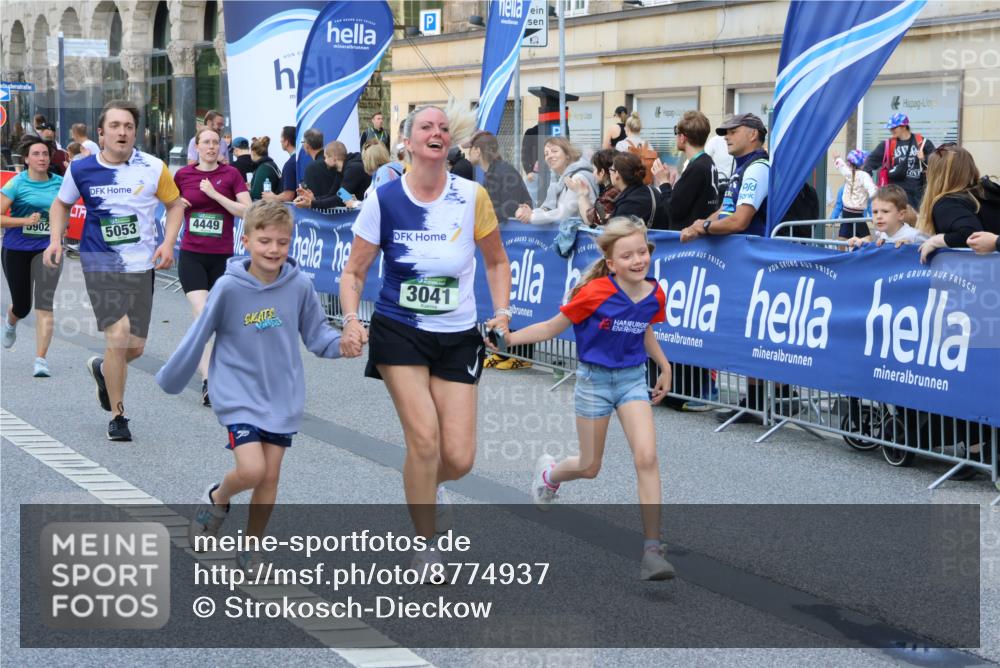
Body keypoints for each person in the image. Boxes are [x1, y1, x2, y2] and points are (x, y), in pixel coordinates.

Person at [338, 104, 512, 577]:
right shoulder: (385, 199)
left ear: (447, 143)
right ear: (409, 143)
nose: (435, 133)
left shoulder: (472, 195)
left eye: (441, 127)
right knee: (424, 439)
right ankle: (425, 542)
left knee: (458, 457)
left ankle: (428, 487)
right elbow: (354, 272)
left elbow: (496, 261)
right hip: (400, 330)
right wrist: (353, 320)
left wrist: (501, 311)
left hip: (458, 335)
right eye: (425, 127)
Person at [156, 201, 348, 571]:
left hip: (282, 394)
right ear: (245, 241)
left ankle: (252, 546)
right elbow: (199, 335)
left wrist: (342, 344)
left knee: (270, 475)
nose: (273, 249)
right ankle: (218, 497)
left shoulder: (299, 285)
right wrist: (172, 376)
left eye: (282, 242)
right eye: (264, 241)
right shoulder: (229, 287)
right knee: (251, 470)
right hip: (238, 392)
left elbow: (317, 333)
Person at [497, 216, 675, 581]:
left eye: (643, 251)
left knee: (647, 456)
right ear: (611, 263)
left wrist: (664, 365)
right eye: (628, 256)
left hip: (631, 381)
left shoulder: (654, 293)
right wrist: (509, 339)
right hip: (594, 381)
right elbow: (552, 327)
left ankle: (652, 550)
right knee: (590, 467)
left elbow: (645, 331)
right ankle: (548, 476)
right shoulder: (593, 293)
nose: (639, 260)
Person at [44, 99, 185, 442]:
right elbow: (61, 204)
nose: (122, 132)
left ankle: (103, 370)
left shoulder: (154, 167)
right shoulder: (81, 169)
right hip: (100, 261)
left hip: (141, 266)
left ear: (135, 133)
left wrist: (167, 243)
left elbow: (175, 204)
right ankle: (119, 416)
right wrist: (54, 240)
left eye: (129, 127)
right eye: (115, 126)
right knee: (118, 335)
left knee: (134, 348)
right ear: (101, 133)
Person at [173, 127, 251, 405]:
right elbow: (167, 206)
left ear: (221, 147)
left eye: (215, 142)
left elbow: (248, 210)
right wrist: (175, 204)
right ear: (197, 146)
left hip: (222, 258)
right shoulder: (183, 175)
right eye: (205, 142)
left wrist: (216, 196)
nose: (210, 146)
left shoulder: (231, 175)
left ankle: (212, 368)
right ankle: (209, 381)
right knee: (204, 312)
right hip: (192, 256)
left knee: (213, 322)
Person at [1, 136, 64, 377]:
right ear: (26, 159)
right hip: (17, 249)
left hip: (49, 249)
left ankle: (41, 359)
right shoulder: (17, 184)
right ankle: (11, 320)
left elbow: (71, 208)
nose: (42, 158)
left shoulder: (60, 183)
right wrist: (24, 221)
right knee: (23, 305)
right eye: (36, 154)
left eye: (45, 154)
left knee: (45, 303)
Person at [680, 113, 770, 242]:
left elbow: (739, 221)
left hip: (749, 253)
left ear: (753, 134)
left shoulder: (757, 168)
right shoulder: (743, 166)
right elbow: (724, 210)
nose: (726, 138)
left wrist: (705, 226)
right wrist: (696, 227)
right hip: (737, 251)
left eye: (733, 132)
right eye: (726, 133)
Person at [917, 144, 993, 263]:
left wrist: (937, 240)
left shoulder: (947, 203)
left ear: (937, 175)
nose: (926, 172)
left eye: (929, 168)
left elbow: (972, 235)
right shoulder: (986, 192)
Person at [652, 110, 720, 231]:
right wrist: (671, 187)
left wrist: (663, 183)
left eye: (676, 133)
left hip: (689, 244)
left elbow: (673, 211)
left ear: (683, 137)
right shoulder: (707, 162)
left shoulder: (696, 168)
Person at [514, 137, 598, 225]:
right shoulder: (561, 181)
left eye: (554, 151)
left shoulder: (578, 178)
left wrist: (531, 217)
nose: (549, 156)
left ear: (567, 155)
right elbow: (551, 210)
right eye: (546, 154)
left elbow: (564, 213)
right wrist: (531, 213)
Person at [862, 113, 934, 209]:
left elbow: (938, 162)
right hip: (896, 194)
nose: (891, 130)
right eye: (890, 128)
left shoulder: (922, 143)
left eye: (894, 128)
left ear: (903, 126)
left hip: (918, 194)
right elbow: (870, 163)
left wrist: (924, 158)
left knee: (917, 222)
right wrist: (865, 182)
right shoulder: (887, 145)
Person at [468, 130, 531, 224]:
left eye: (470, 148)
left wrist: (479, 215)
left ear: (477, 151)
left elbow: (510, 208)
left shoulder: (504, 172)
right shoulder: (491, 173)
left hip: (517, 235)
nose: (468, 153)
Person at [294, 141, 369, 210]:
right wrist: (314, 199)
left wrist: (312, 203)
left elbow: (340, 199)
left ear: (334, 158)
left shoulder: (353, 169)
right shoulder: (340, 170)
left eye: (326, 157)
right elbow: (335, 194)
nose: (324, 161)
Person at [846, 184, 924, 249]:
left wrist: (912, 248)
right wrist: (864, 245)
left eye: (885, 211)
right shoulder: (883, 235)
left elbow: (934, 256)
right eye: (875, 212)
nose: (879, 216)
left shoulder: (914, 236)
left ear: (901, 214)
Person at [832, 149, 876, 239]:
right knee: (867, 238)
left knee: (843, 237)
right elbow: (871, 188)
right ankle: (862, 252)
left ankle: (841, 252)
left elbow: (841, 166)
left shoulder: (849, 173)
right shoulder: (864, 176)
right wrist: (878, 197)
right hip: (857, 213)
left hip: (846, 211)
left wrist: (837, 158)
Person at [573, 149, 619, 228]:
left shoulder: (612, 193)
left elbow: (592, 220)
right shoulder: (617, 189)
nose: (593, 173)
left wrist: (581, 194)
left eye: (594, 169)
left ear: (602, 172)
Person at [262, 126, 297, 204]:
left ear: (286, 142)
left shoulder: (290, 164)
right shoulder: (300, 160)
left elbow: (289, 196)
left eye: (281, 137)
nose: (280, 141)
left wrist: (273, 197)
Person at [300, 128, 336, 196]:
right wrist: (350, 201)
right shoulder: (334, 161)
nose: (302, 145)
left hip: (322, 205)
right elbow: (340, 189)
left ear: (307, 145)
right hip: (343, 203)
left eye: (303, 142)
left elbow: (309, 198)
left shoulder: (312, 168)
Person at [248, 136, 282, 201]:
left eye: (250, 150)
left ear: (254, 152)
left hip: (266, 207)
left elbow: (257, 194)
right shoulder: (270, 164)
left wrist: (246, 191)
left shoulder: (263, 168)